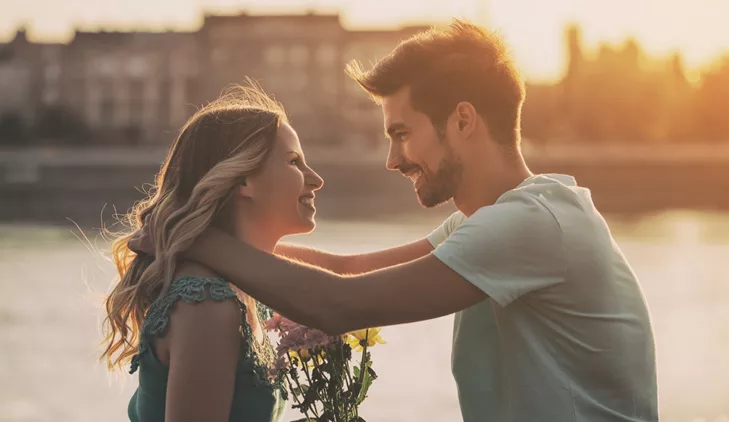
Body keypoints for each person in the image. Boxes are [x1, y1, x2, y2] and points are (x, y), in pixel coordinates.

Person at [148, 20, 657, 422]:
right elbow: (348, 270)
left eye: (401, 133)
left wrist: (184, 237)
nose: (392, 159)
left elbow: (339, 303)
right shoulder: (497, 220)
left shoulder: (533, 223)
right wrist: (223, 238)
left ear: (462, 120)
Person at [101, 82, 324, 422]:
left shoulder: (245, 279)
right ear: (244, 180)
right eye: (294, 161)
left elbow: (356, 270)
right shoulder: (207, 303)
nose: (316, 179)